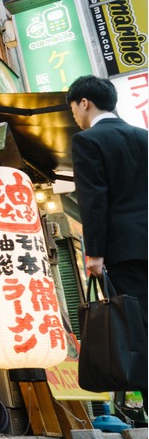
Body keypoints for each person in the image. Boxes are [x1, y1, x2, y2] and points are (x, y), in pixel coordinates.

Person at [67, 75, 149, 328]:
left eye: (72, 110)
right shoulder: (144, 136)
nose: (75, 117)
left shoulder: (87, 140)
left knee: (135, 327)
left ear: (84, 102)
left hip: (123, 251)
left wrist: (94, 252)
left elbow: (94, 200)